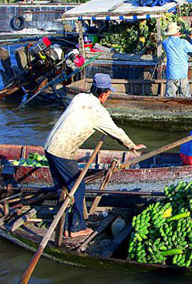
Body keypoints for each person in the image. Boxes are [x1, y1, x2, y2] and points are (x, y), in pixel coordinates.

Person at [43, 73, 146, 238]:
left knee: (62, 188)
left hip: (49, 146)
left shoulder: (80, 97)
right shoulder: (99, 112)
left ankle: (64, 223)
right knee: (78, 186)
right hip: (62, 151)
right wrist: (131, 146)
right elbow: (116, 132)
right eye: (108, 94)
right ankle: (76, 228)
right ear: (103, 94)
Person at [161, 22, 192, 97]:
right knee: (185, 96)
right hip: (182, 73)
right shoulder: (183, 42)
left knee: (169, 97)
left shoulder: (166, 43)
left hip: (171, 73)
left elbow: (164, 40)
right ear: (177, 32)